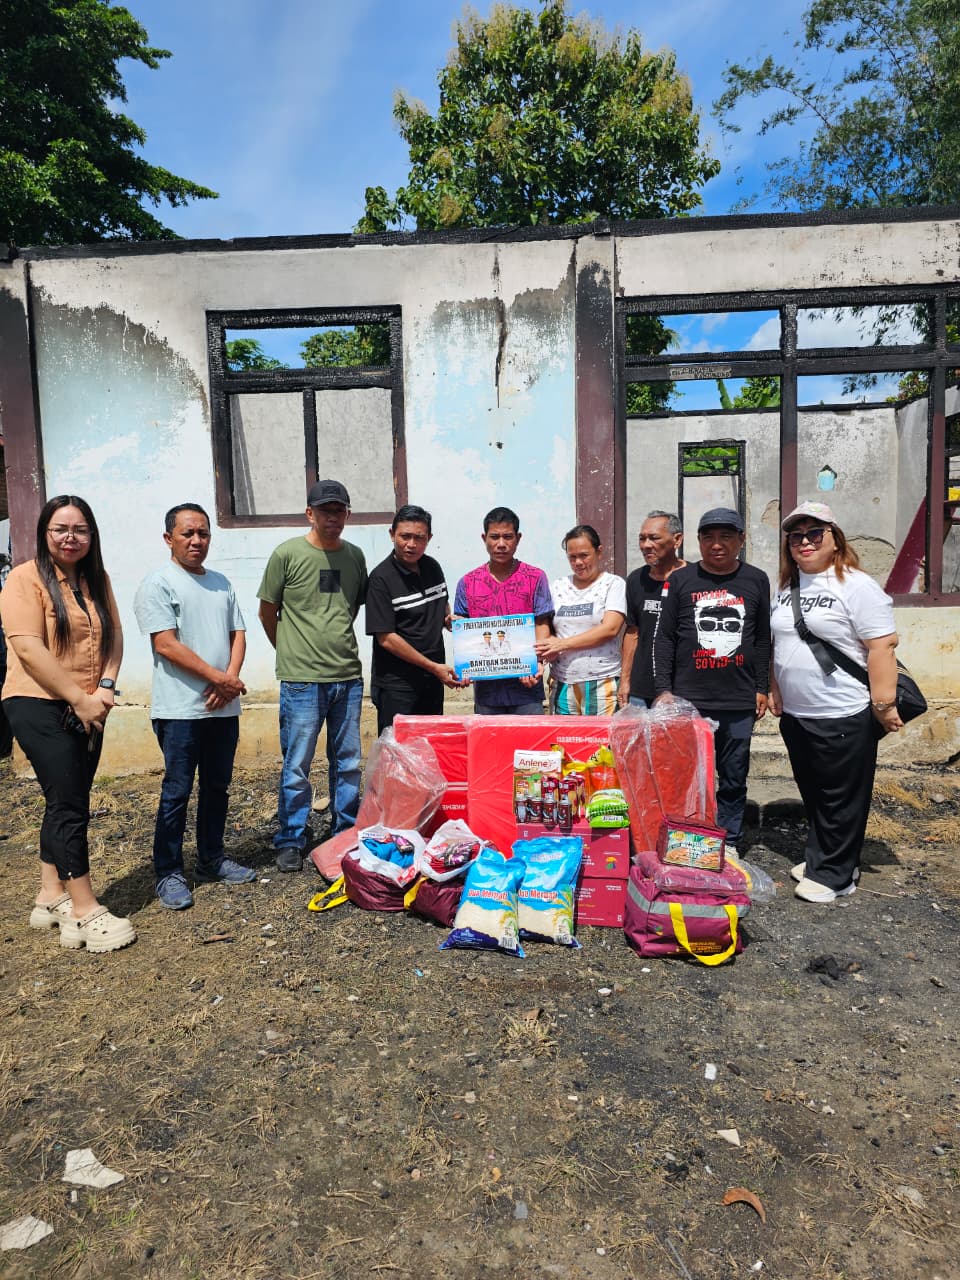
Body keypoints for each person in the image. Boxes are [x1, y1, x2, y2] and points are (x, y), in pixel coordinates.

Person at [0, 495, 135, 952]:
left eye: (80, 529)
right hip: (38, 703)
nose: (70, 538)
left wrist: (106, 687)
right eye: (60, 529)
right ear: (45, 533)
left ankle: (49, 894)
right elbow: (27, 647)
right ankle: (84, 908)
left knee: (63, 799)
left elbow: (115, 635)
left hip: (91, 705)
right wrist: (79, 698)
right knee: (70, 805)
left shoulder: (97, 579)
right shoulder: (24, 579)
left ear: (91, 535)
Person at [769, 501, 900, 903]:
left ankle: (836, 875)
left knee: (840, 799)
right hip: (798, 714)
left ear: (835, 538)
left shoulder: (856, 585)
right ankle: (824, 858)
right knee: (815, 794)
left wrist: (884, 705)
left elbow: (882, 646)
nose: (805, 542)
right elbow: (779, 644)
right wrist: (776, 689)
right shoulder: (788, 587)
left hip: (842, 711)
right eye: (796, 536)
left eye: (814, 533)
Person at [134, 504, 256, 910]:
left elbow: (238, 633)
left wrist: (229, 679)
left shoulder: (221, 583)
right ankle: (168, 871)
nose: (196, 540)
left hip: (223, 708)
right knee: (177, 791)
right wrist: (219, 679)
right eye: (187, 533)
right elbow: (166, 644)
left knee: (217, 787)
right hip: (180, 710)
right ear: (168, 538)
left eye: (203, 533)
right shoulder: (158, 583)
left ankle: (211, 859)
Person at [258, 480, 368, 871]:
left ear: (347, 515)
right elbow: (267, 611)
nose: (332, 517)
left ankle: (345, 832)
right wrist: (290, 651)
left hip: (347, 677)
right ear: (310, 513)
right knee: (297, 763)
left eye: (339, 510)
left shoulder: (354, 556)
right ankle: (291, 837)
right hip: (302, 680)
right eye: (325, 510)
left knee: (348, 761)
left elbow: (350, 607)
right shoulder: (287, 554)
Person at [653, 507, 771, 852]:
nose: (717, 544)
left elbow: (762, 638)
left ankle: (729, 841)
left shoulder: (756, 580)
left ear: (741, 540)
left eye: (726, 537)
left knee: (733, 777)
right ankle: (689, 840)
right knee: (687, 777)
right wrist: (663, 690)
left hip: (738, 699)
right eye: (709, 537)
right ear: (698, 541)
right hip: (689, 701)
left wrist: (761, 687)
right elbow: (665, 639)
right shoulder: (680, 580)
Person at [365, 504, 462, 734]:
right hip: (398, 686)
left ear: (429, 538)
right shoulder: (380, 579)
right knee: (397, 749)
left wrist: (448, 619)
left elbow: (440, 602)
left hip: (432, 680)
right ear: (392, 535)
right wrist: (433, 667)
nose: (411, 544)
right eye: (405, 536)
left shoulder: (432, 567)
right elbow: (386, 638)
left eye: (419, 538)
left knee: (429, 746)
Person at [453, 506, 553, 715]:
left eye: (507, 537)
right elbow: (463, 631)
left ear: (518, 538)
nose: (501, 544)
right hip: (486, 693)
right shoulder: (468, 582)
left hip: (527, 688)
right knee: (488, 737)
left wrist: (536, 662)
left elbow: (542, 623)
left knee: (530, 737)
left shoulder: (535, 577)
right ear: (484, 538)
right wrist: (464, 664)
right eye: (494, 537)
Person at [537, 524, 626, 715]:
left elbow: (610, 628)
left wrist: (563, 644)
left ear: (599, 552)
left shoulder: (613, 584)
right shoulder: (557, 587)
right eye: (572, 557)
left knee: (601, 735)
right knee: (564, 734)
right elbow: (545, 625)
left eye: (584, 555)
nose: (578, 562)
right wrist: (545, 649)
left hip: (602, 682)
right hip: (563, 681)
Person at [619, 510, 686, 709]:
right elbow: (633, 632)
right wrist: (625, 680)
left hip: (681, 689)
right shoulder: (636, 580)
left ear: (677, 540)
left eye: (654, 538)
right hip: (641, 689)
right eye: (642, 538)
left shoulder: (692, 579)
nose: (646, 545)